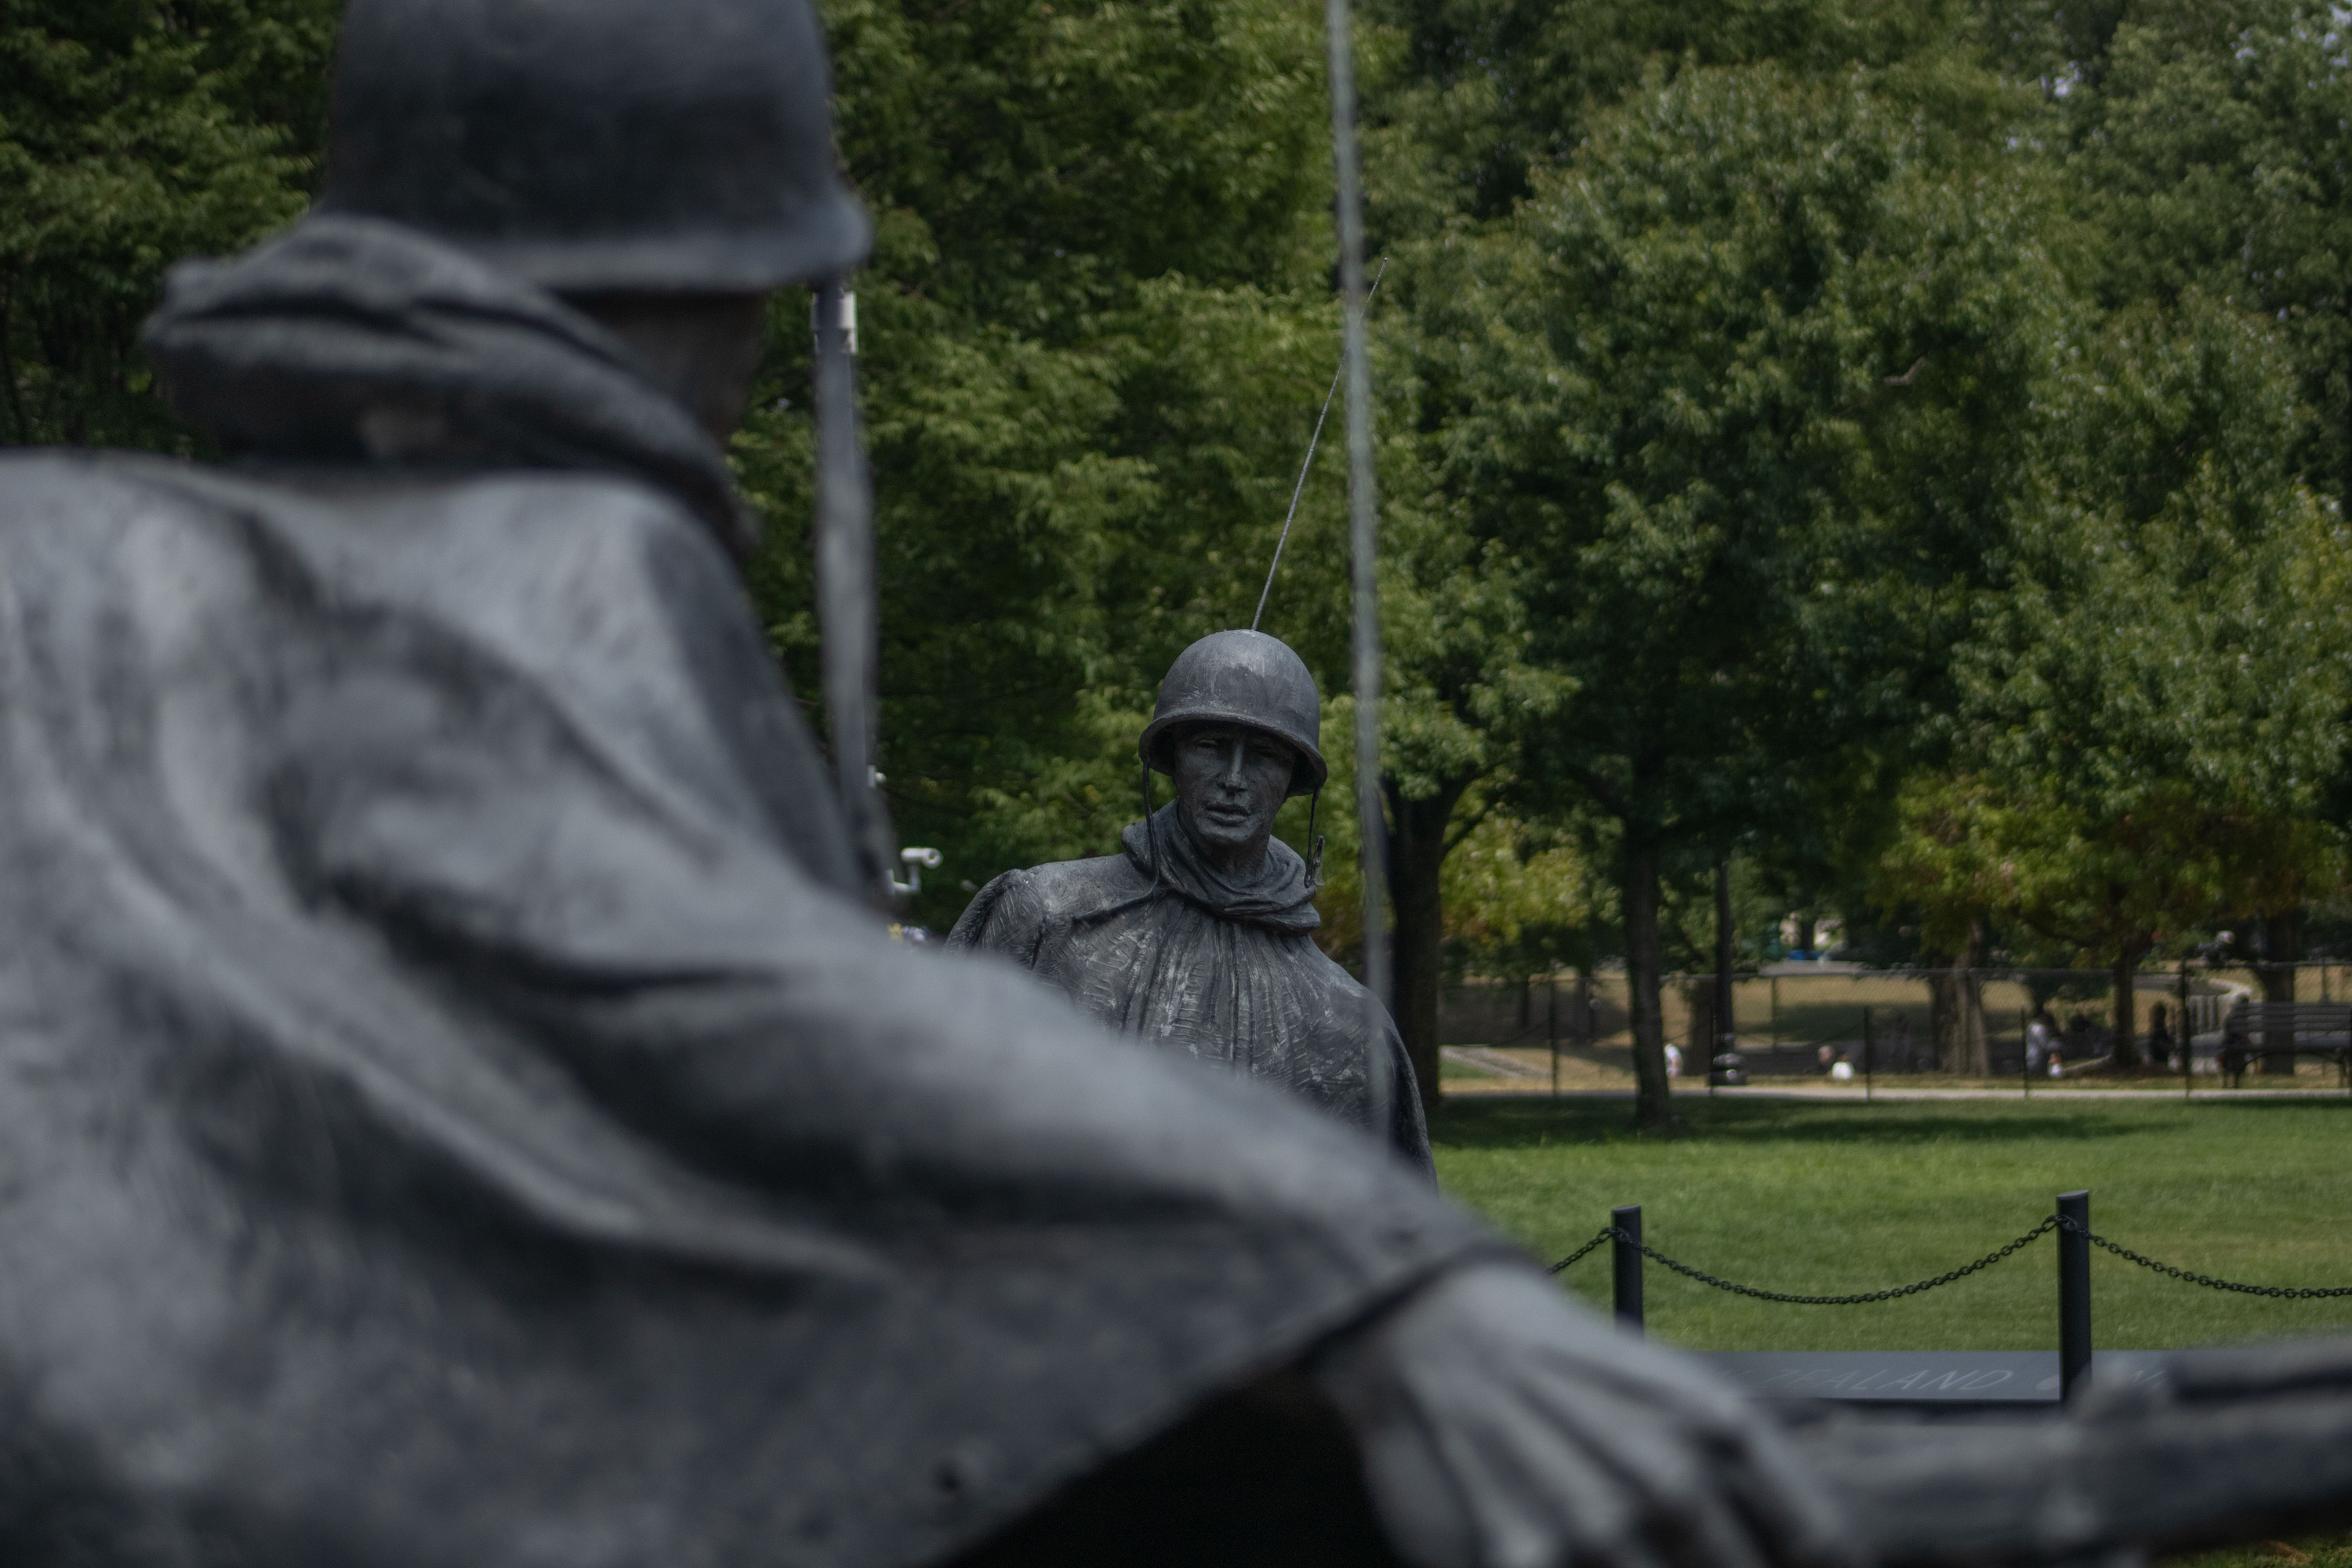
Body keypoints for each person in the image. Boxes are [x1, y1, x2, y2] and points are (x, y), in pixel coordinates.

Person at [0, 3, 1853, 1566]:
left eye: (1258, 754)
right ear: (705, 279)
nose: (734, 400)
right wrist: (1382, 1280)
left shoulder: (50, 544)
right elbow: (795, 1031)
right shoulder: (549, 568)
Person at [949, 630, 1428, 1168]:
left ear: (1293, 778)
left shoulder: (1347, 1025)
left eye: (1265, 756)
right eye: (1211, 747)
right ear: (1172, 755)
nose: (1233, 779)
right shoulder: (1048, 916)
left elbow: (1389, 1232)